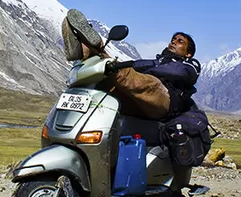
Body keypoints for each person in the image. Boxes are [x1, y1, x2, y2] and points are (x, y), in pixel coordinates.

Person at [61, 9, 201, 120]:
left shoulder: (190, 65)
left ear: (188, 53)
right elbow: (136, 65)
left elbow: (177, 72)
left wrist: (147, 70)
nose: (174, 42)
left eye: (180, 41)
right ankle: (87, 51)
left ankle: (96, 45)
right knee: (106, 82)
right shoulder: (158, 61)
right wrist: (116, 66)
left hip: (166, 101)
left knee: (142, 81)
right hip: (143, 104)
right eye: (173, 39)